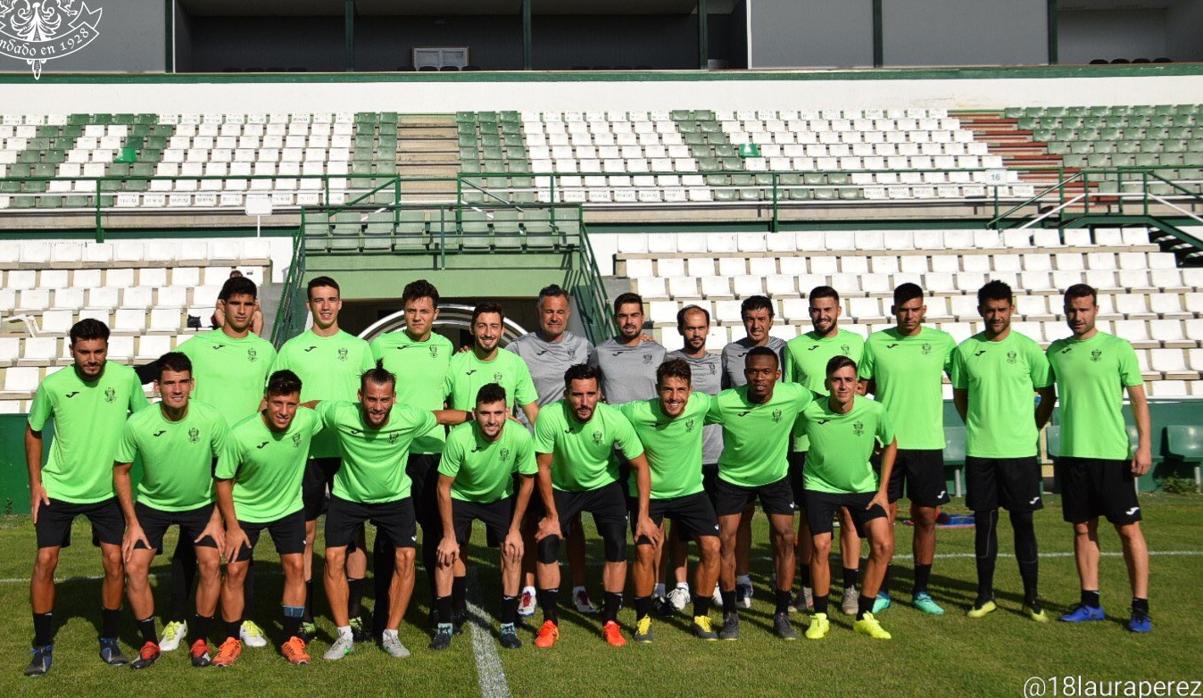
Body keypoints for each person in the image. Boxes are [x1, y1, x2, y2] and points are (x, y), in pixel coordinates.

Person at [314, 363, 468, 661]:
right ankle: (344, 634)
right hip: (349, 496)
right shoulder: (340, 413)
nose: (378, 406)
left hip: (395, 497)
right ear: (360, 396)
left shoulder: (408, 417)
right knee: (333, 558)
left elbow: (440, 416)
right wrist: (275, 409)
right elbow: (312, 407)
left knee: (406, 558)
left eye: (384, 399)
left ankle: (391, 634)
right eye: (372, 399)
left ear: (394, 398)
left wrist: (479, 416)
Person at [25, 319, 149, 677]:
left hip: (107, 491)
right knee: (46, 561)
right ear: (72, 350)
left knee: (114, 562)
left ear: (107, 349)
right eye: (84, 352)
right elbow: (33, 432)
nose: (92, 359)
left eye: (98, 352)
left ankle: (109, 640)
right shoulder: (53, 386)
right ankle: (42, 645)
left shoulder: (126, 380)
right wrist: (36, 484)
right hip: (59, 490)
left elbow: (143, 426)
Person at [271, 276, 375, 640]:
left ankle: (355, 611)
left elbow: (371, 399)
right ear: (309, 305)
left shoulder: (360, 348)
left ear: (341, 304)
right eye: (319, 300)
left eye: (332, 299)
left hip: (349, 451)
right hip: (309, 453)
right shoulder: (291, 349)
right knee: (307, 530)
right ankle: (308, 612)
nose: (326, 306)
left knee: (355, 533)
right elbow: (276, 400)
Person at [177, 275, 277, 649]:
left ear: (255, 309)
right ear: (222, 307)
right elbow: (167, 374)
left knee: (241, 541)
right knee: (195, 538)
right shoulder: (200, 345)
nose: (241, 310)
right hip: (204, 454)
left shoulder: (265, 351)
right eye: (234, 303)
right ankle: (178, 617)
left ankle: (244, 617)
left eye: (247, 304)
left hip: (246, 458)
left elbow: (272, 400)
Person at [1047, 284, 1152, 633]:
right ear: (1064, 310)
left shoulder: (1117, 348)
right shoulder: (1056, 352)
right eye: (1072, 310)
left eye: (1084, 309)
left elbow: (1138, 400)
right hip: (1073, 454)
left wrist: (1144, 447)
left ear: (1096, 309)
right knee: (1082, 527)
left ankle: (1140, 606)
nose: (1078, 317)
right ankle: (1090, 602)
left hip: (1111, 454)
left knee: (1127, 529)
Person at [113, 352, 228, 669]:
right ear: (157, 387)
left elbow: (228, 470)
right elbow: (121, 472)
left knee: (209, 562)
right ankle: (149, 642)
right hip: (152, 506)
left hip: (200, 506)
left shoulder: (211, 419)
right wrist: (132, 523)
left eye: (182, 382)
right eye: (169, 383)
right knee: (134, 566)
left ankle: (200, 640)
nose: (176, 390)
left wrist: (218, 519)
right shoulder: (138, 423)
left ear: (192, 384)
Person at [531, 364, 655, 649]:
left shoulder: (613, 420)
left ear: (600, 394)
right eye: (577, 395)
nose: (584, 402)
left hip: (604, 485)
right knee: (547, 542)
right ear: (566, 394)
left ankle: (610, 621)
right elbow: (543, 469)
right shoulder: (550, 417)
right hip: (563, 486)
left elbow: (641, 466)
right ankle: (550, 621)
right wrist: (551, 516)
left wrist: (644, 516)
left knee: (616, 544)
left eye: (590, 394)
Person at [952, 280, 1055, 621]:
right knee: (985, 523)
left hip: (1020, 453)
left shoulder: (1028, 350)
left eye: (1001, 309)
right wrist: (978, 425)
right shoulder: (966, 351)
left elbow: (1047, 395)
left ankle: (1032, 598)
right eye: (989, 310)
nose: (995, 316)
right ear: (980, 310)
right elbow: (961, 396)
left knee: (1024, 523)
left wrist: (1030, 428)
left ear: (1012, 307)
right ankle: (985, 595)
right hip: (982, 451)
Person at [858, 283, 956, 616]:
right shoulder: (876, 342)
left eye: (915, 309)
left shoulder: (942, 343)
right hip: (888, 444)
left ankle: (921, 590)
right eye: (903, 309)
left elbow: (965, 382)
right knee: (886, 515)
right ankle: (880, 587)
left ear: (924, 309)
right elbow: (862, 389)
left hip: (927, 443)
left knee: (926, 516)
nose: (909, 315)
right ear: (894, 309)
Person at [211, 370, 321, 667]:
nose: (284, 411)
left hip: (288, 508)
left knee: (296, 567)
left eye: (291, 404)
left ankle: (291, 638)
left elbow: (321, 408)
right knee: (234, 572)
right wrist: (231, 526)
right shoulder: (241, 435)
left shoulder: (307, 420)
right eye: (277, 403)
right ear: (266, 400)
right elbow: (222, 480)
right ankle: (231, 639)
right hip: (245, 510)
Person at [705, 346, 812, 641]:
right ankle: (730, 614)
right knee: (725, 540)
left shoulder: (794, 395)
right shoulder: (725, 402)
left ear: (777, 375)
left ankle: (781, 613)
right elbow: (688, 415)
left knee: (786, 538)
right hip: (732, 478)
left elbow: (821, 407)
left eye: (766, 372)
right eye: (753, 372)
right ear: (745, 374)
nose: (759, 378)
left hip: (775, 477)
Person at [445, 301, 540, 629]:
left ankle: (509, 614)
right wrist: (466, 418)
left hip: (501, 467)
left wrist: (541, 447)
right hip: (464, 461)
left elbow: (532, 411)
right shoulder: (455, 363)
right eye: (481, 326)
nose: (488, 332)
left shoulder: (514, 364)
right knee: (458, 543)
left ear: (502, 330)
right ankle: (457, 607)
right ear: (472, 328)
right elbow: (438, 407)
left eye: (494, 326)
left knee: (511, 545)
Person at [370, 279, 454, 639]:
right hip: (393, 451)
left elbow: (451, 398)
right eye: (411, 310)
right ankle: (381, 608)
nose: (417, 317)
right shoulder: (381, 345)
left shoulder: (447, 346)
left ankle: (440, 607)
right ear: (402, 311)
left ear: (435, 313)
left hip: (433, 452)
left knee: (435, 533)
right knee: (389, 536)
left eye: (424, 311)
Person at [506, 285, 597, 617]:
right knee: (534, 521)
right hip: (531, 448)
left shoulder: (584, 348)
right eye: (548, 311)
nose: (554, 317)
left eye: (560, 311)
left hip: (569, 448)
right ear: (539, 312)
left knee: (571, 524)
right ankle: (529, 588)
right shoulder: (519, 348)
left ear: (568, 313)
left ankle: (579, 588)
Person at [619, 359, 723, 642]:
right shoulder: (637, 412)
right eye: (667, 390)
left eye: (680, 390)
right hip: (649, 495)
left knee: (713, 547)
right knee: (644, 552)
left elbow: (741, 407)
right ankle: (642, 618)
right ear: (657, 389)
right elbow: (599, 413)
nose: (674, 397)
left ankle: (700, 615)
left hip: (690, 491)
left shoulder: (702, 405)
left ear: (691, 390)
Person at [797, 356, 897, 641]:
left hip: (863, 488)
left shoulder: (874, 411)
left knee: (883, 544)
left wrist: (882, 490)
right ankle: (820, 616)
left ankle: (865, 615)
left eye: (849, 380)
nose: (842, 386)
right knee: (820, 544)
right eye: (837, 380)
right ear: (827, 383)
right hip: (819, 485)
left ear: (858, 384)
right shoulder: (809, 412)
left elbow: (890, 444)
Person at [432, 383, 537, 650]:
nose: (492, 420)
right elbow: (443, 486)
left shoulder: (520, 436)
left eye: (498, 413)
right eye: (485, 413)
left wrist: (515, 529)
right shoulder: (459, 437)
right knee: (446, 554)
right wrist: (448, 535)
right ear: (474, 413)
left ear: (507, 412)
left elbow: (527, 482)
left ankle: (508, 625)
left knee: (513, 551)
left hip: (499, 499)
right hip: (462, 497)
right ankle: (444, 624)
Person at [783, 286, 864, 615]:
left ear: (839, 309)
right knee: (807, 519)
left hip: (848, 444)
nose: (822, 315)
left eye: (827, 309)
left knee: (848, 516)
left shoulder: (858, 343)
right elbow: (789, 395)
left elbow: (863, 388)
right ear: (809, 310)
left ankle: (849, 588)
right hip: (807, 443)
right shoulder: (795, 347)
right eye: (816, 309)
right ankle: (805, 586)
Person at [717, 295, 786, 608]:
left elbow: (792, 395)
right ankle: (742, 578)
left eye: (762, 319)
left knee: (781, 526)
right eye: (750, 319)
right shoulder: (730, 352)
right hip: (739, 455)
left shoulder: (786, 350)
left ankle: (777, 574)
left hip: (777, 451)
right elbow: (724, 395)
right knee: (739, 521)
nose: (756, 325)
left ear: (771, 319)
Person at [664, 305, 725, 613]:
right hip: (679, 458)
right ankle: (680, 586)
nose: (696, 333)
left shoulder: (720, 361)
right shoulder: (668, 360)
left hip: (714, 455)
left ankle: (711, 584)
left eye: (701, 327)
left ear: (708, 328)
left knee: (711, 527)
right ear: (680, 329)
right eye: (690, 328)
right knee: (678, 529)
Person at [212, 270, 264, 335]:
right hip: (228, 316)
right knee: (218, 312)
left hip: (247, 316)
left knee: (258, 314)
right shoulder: (226, 290)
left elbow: (257, 306)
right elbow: (218, 305)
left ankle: (256, 339)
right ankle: (229, 335)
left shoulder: (248, 289)